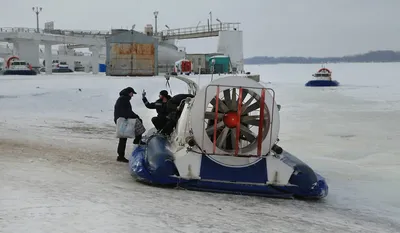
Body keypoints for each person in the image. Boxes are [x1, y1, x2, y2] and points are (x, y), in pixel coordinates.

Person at [114, 87, 145, 163]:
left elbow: (127, 111)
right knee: (123, 138)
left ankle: (121, 155)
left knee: (123, 139)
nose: (132, 95)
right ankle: (137, 141)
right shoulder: (124, 99)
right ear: (129, 92)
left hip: (121, 119)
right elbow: (127, 111)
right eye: (132, 93)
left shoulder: (123, 98)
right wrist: (135, 116)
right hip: (122, 120)